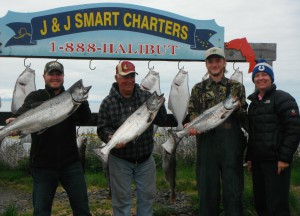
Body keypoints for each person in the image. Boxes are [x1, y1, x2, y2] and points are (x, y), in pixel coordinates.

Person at [6, 61, 92, 216]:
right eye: (51, 74)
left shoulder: (71, 98)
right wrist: (14, 122)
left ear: (63, 77)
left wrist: (82, 101)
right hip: (42, 165)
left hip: (71, 163)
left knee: (82, 210)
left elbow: (85, 119)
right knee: (41, 211)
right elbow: (22, 113)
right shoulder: (35, 96)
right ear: (44, 76)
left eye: (58, 74)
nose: (55, 77)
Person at [97, 60, 167, 216]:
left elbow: (162, 121)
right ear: (117, 78)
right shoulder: (107, 103)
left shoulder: (146, 97)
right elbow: (102, 128)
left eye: (131, 76)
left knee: (147, 198)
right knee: (121, 201)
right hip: (120, 160)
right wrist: (110, 138)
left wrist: (160, 104)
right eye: (125, 76)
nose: (129, 80)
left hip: (145, 159)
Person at [187, 47, 248, 216]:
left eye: (218, 60)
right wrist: (193, 126)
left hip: (231, 146)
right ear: (206, 64)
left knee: (233, 192)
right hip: (207, 144)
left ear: (224, 62)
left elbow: (244, 116)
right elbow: (191, 112)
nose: (214, 64)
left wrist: (236, 109)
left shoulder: (236, 87)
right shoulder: (198, 88)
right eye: (210, 61)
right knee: (207, 193)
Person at [246, 59, 300, 216]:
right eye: (257, 75)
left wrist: (284, 158)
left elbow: (294, 129)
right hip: (257, 162)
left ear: (271, 78)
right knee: (260, 204)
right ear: (254, 79)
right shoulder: (254, 103)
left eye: (264, 75)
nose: (260, 78)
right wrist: (249, 158)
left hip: (276, 162)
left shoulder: (283, 98)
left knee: (277, 206)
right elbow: (253, 134)